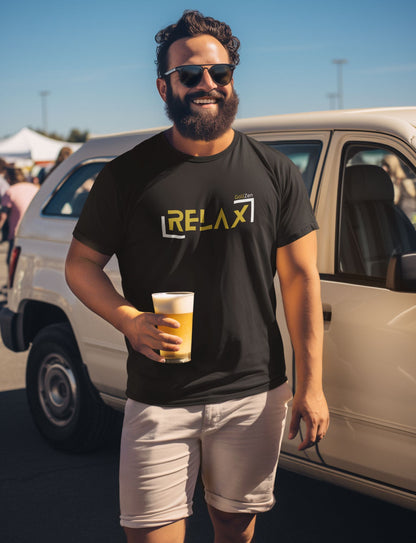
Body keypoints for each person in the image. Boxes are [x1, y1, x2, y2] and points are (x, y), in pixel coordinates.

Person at [65, 10, 329, 543]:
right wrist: (129, 320)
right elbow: (80, 266)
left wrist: (312, 387)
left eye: (220, 73)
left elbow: (301, 279)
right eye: (190, 75)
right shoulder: (126, 175)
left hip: (253, 391)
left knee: (234, 527)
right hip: (160, 394)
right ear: (165, 85)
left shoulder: (275, 171)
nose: (207, 84)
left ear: (232, 80)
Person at [0, 167, 38, 265]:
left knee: (12, 263)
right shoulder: (35, 188)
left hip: (17, 233)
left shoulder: (10, 191)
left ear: (9, 179)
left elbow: (3, 216)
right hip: (35, 231)